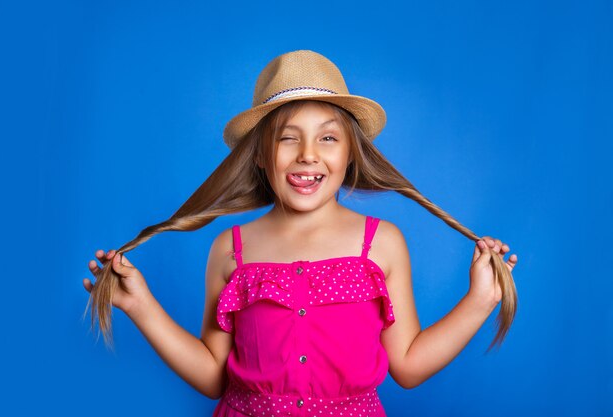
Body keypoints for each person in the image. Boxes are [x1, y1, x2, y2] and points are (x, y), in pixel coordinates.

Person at [83, 50, 518, 416]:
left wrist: (480, 300)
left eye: (327, 139)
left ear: (350, 153)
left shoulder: (382, 243)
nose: (307, 155)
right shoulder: (230, 250)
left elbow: (407, 364)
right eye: (287, 139)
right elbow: (214, 375)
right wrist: (139, 305)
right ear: (258, 155)